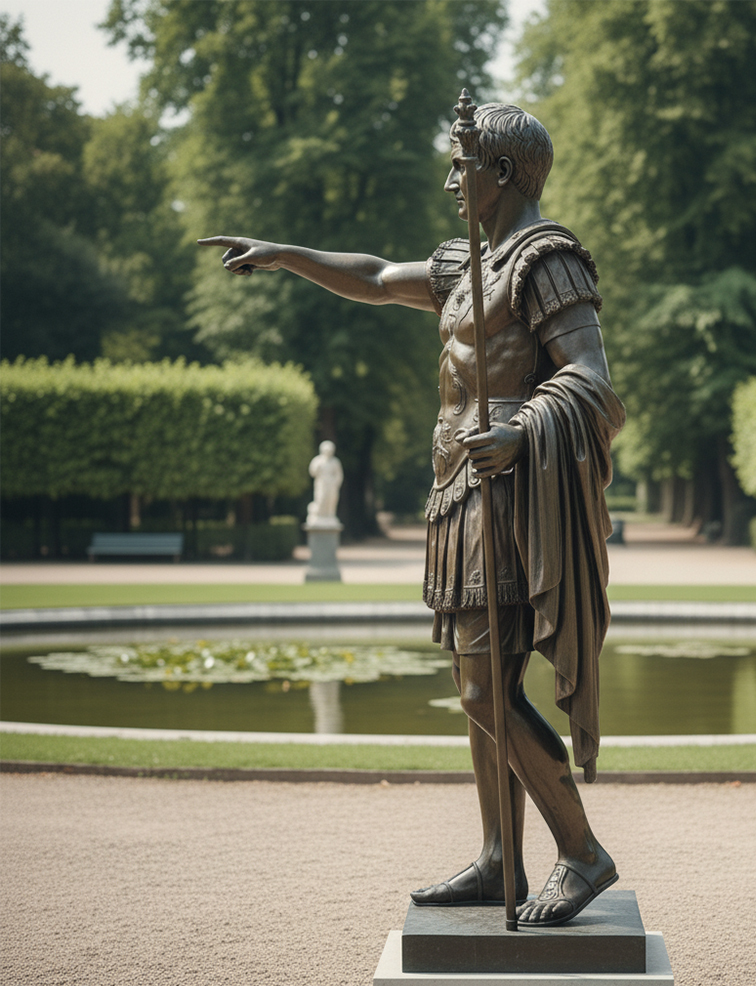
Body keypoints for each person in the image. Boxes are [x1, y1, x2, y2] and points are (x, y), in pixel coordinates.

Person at [198, 102, 625, 927]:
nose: (449, 181)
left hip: (508, 494)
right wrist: (286, 255)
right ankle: (500, 859)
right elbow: (372, 275)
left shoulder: (545, 262)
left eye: (460, 166)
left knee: (481, 689)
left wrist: (526, 424)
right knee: (481, 682)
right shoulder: (470, 264)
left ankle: (581, 853)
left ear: (500, 171)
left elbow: (595, 383)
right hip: (460, 492)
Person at [307, 440, 343, 527]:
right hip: (321, 483)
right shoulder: (317, 460)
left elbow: (339, 475)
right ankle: (319, 514)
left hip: (331, 484)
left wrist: (336, 483)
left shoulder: (335, 462)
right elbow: (312, 472)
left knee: (331, 499)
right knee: (321, 498)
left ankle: (330, 515)